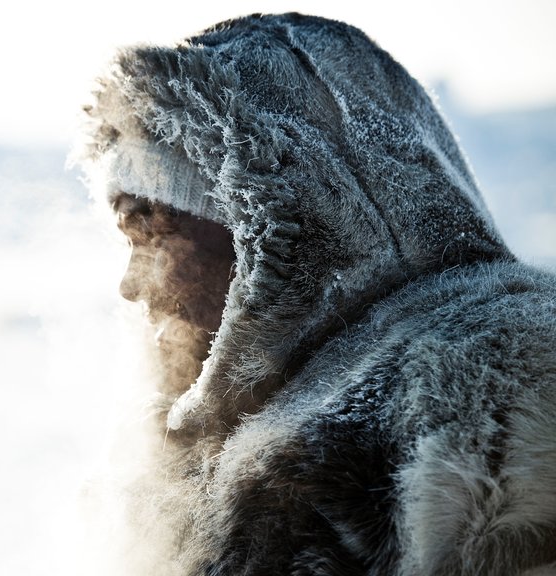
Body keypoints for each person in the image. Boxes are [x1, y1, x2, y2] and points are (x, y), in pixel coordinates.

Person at [79, 13, 556, 575]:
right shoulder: (192, 434)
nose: (132, 285)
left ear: (264, 222)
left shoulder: (495, 392)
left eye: (152, 231)